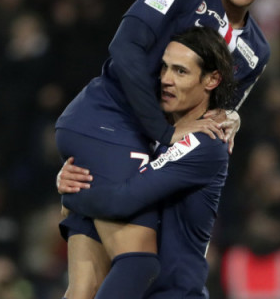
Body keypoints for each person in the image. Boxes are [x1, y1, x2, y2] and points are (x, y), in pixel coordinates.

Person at [55, 0, 277, 298]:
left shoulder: (256, 52)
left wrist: (232, 117)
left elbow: (216, 115)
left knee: (86, 288)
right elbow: (125, 47)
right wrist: (164, 132)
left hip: (142, 151)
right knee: (137, 263)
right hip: (111, 119)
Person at [59, 26, 236, 298]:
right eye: (164, 67)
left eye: (181, 71)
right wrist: (75, 175)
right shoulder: (149, 135)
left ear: (212, 80)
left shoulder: (206, 143)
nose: (166, 79)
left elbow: (122, 200)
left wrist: (71, 195)